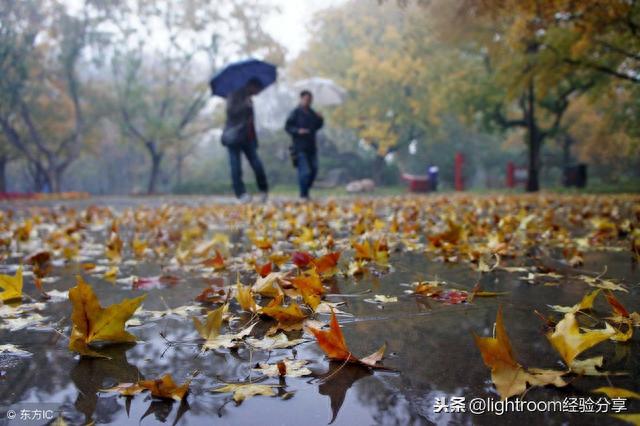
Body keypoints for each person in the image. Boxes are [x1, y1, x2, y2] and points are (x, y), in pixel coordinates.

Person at [222, 78, 269, 203]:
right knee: (235, 166)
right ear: (251, 86)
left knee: (257, 164)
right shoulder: (234, 93)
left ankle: (263, 189)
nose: (258, 92)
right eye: (258, 89)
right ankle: (241, 194)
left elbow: (250, 122)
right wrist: (244, 105)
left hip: (248, 137)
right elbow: (230, 112)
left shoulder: (249, 99)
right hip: (234, 137)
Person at [285, 90, 324, 200]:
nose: (308, 101)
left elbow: (317, 127)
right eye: (306, 99)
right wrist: (298, 131)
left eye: (310, 100)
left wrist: (320, 119)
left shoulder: (312, 113)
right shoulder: (295, 113)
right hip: (299, 147)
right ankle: (303, 194)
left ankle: (306, 190)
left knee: (314, 169)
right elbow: (287, 127)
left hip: (311, 146)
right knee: (305, 171)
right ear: (301, 99)